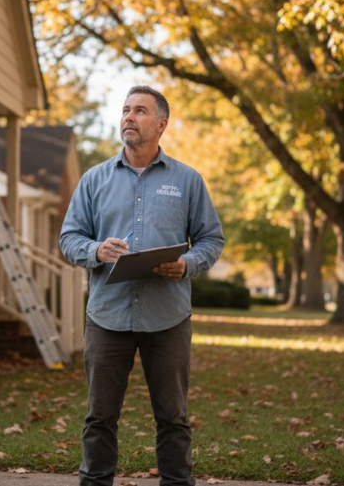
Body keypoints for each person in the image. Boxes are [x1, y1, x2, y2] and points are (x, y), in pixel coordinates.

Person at [59, 86, 225, 486]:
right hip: (107, 317)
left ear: (161, 124)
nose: (129, 117)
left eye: (140, 111)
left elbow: (211, 239)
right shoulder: (94, 179)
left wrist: (186, 264)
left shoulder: (187, 180)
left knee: (173, 418)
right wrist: (97, 251)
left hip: (167, 318)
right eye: (126, 110)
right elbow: (69, 238)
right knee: (99, 417)